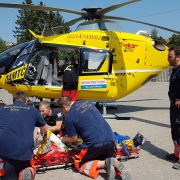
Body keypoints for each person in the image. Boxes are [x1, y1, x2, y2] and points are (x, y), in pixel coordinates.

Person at [57, 96, 131, 180]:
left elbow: (73, 139)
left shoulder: (69, 117)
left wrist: (62, 139)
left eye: (62, 110)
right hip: (111, 142)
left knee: (79, 163)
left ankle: (106, 163)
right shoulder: (87, 102)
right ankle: (112, 162)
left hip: (94, 145)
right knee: (101, 156)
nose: (64, 112)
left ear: (64, 106)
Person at [0, 91, 48, 180]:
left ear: (13, 101)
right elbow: (45, 129)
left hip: (2, 150)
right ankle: (25, 171)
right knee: (26, 166)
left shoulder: (2, 109)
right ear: (26, 101)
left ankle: (1, 169)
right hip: (22, 154)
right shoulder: (33, 110)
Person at [166, 47, 180, 169]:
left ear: (178, 57)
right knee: (175, 130)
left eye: (170, 57)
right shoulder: (175, 70)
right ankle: (177, 154)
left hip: (179, 105)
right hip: (174, 105)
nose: (168, 59)